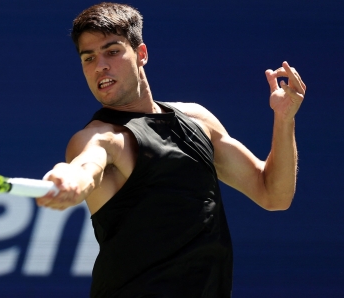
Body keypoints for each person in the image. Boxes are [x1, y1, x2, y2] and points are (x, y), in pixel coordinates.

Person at [36, 2, 306, 297]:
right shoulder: (101, 137)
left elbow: (273, 194)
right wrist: (71, 179)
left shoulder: (197, 119)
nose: (100, 65)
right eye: (88, 58)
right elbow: (86, 165)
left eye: (112, 51)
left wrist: (284, 119)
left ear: (141, 54)